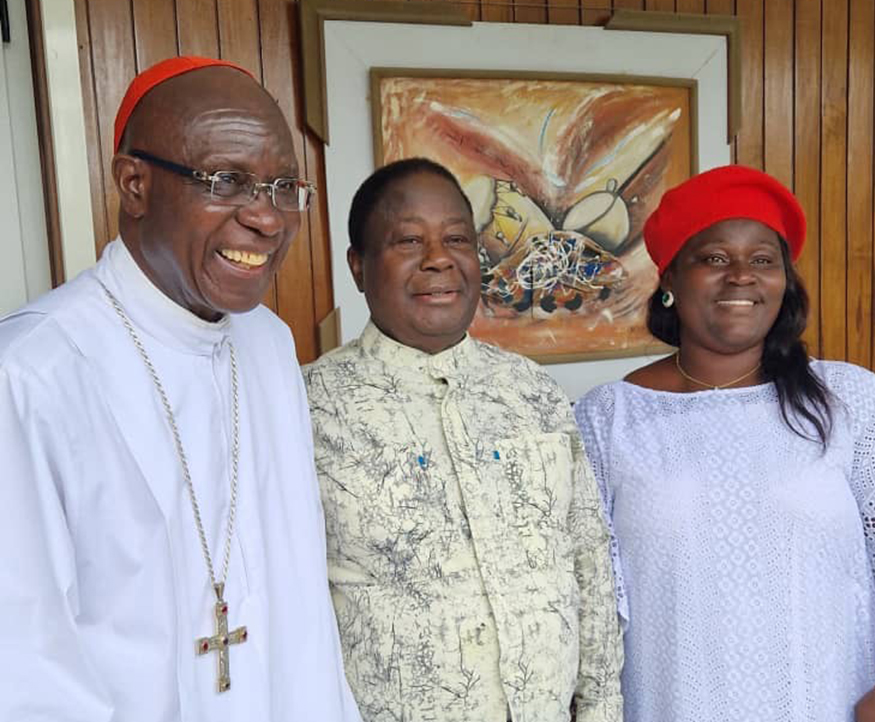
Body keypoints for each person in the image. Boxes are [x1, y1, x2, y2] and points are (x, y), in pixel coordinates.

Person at [0, 56, 360, 721]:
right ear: (134, 183)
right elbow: (25, 665)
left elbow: (300, 597)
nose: (269, 219)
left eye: (285, 186)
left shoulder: (267, 344)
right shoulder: (30, 373)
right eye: (227, 181)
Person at [574, 165, 875, 722]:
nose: (742, 276)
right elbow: (589, 594)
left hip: (828, 700)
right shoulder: (609, 418)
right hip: (671, 702)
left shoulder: (852, 401)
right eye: (715, 258)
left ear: (784, 281)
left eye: (763, 260)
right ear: (671, 278)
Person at [302, 158, 624, 722]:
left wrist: (601, 707)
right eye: (408, 240)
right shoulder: (307, 406)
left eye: (456, 238)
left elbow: (588, 562)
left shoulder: (531, 392)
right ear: (358, 267)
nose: (438, 259)